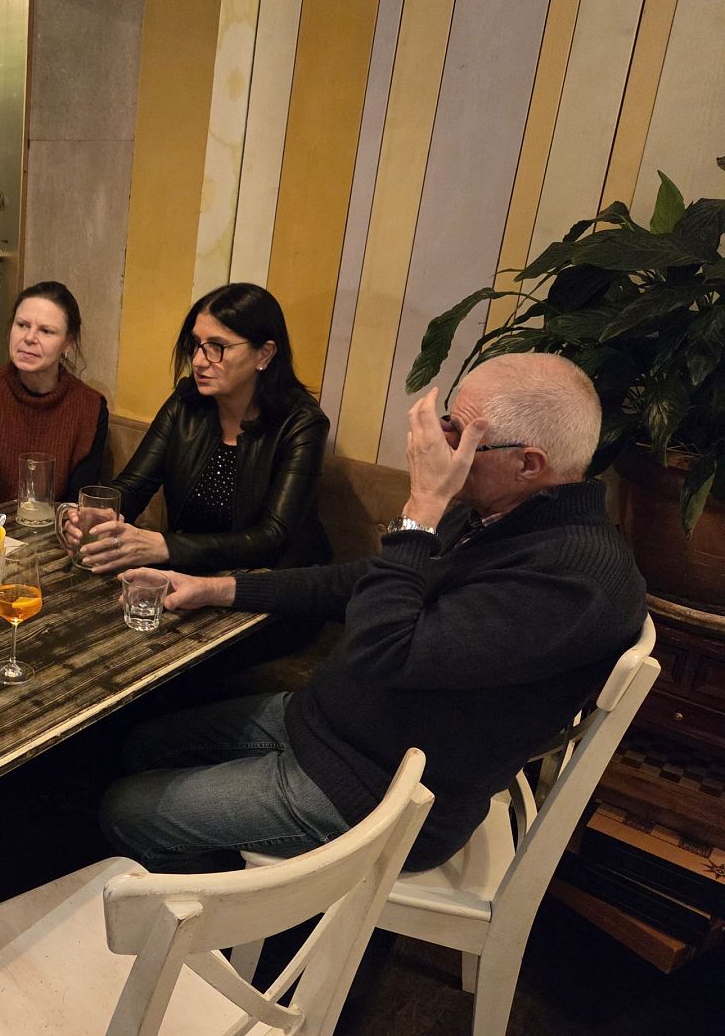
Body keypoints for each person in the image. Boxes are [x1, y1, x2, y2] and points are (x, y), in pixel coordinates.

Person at [99, 354, 647, 873]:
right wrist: (215, 588)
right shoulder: (500, 513)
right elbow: (368, 581)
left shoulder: (574, 579)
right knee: (142, 745)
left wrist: (421, 509)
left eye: (458, 434)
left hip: (379, 794)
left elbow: (384, 650)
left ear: (528, 464)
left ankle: (236, 916)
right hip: (328, 726)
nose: (438, 444)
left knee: (126, 811)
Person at [68, 282, 329, 576]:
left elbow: (272, 537)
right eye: (196, 344)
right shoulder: (186, 402)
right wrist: (99, 515)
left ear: (264, 354)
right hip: (189, 571)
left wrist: (164, 546)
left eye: (217, 347)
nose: (198, 361)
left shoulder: (301, 423)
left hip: (268, 583)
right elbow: (134, 486)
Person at [0, 281, 108, 527]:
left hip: (56, 534)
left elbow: (76, 503)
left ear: (68, 342)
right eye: (22, 325)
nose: (28, 338)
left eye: (46, 331)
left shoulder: (90, 407)